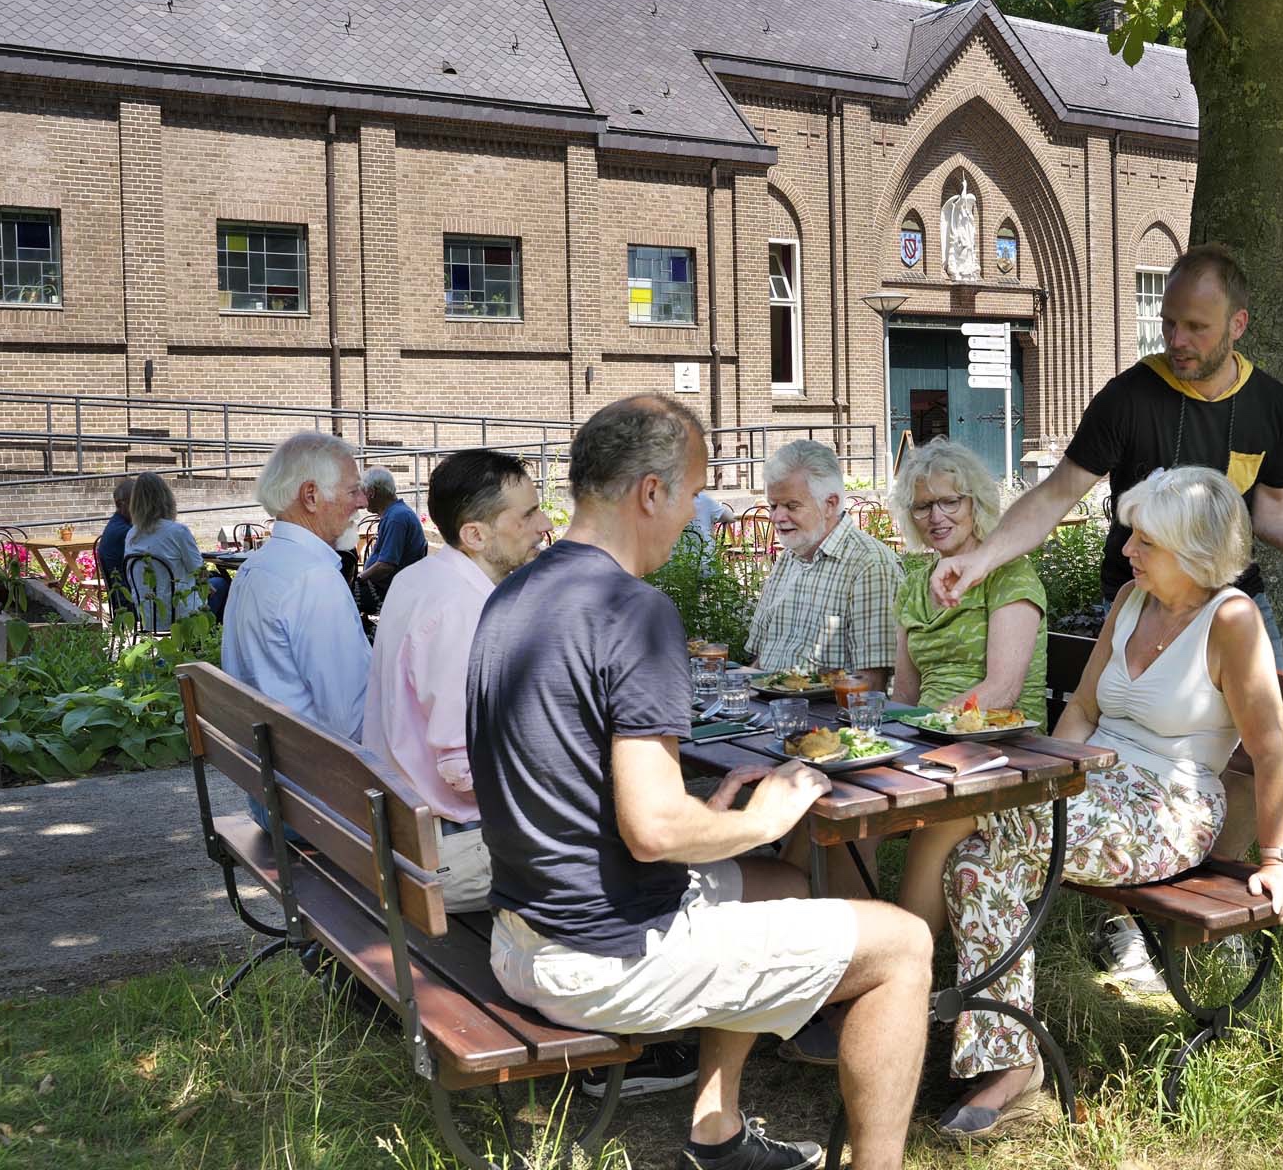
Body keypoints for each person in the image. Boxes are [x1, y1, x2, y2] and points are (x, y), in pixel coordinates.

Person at [468, 396, 930, 1170]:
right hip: (605, 955)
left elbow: (576, 786)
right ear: (651, 492)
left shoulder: (512, 594)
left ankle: (715, 1133)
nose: (693, 517)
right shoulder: (634, 611)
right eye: (691, 495)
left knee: (782, 884)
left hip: (522, 930)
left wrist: (705, 816)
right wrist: (760, 814)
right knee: (905, 944)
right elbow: (652, 829)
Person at [931, 467, 1283, 1139]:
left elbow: (1273, 748)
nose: (1126, 551)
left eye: (1143, 540)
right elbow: (1080, 707)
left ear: (1193, 550)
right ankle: (1009, 1063)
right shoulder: (1131, 603)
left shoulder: (1231, 620)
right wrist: (1043, 776)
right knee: (976, 863)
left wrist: (1279, 860)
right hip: (1091, 790)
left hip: (1168, 810)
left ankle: (900, 992)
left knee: (977, 811)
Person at [931, 242, 1283, 674]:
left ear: (1238, 325)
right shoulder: (1126, 398)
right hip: (1138, 598)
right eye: (1168, 323)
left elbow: (1274, 513)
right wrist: (980, 560)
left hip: (1235, 598)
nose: (1177, 340)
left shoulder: (1273, 403)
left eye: (1196, 327)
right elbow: (1053, 497)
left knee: (1271, 729)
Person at [363, 450, 552, 914]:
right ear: (475, 534)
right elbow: (465, 771)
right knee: (643, 839)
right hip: (449, 855)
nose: (545, 523)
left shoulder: (421, 578)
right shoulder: (462, 611)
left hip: (406, 830)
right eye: (528, 515)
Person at [886, 438, 1048, 933]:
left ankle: (904, 973)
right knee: (836, 812)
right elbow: (905, 695)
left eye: (949, 501)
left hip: (1000, 751)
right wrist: (885, 743)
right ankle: (842, 966)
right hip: (932, 744)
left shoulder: (1009, 575)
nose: (935, 516)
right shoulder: (916, 584)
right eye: (922, 506)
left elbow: (1000, 692)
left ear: (975, 502)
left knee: (933, 829)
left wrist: (921, 734)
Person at [221, 431, 371, 743]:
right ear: (311, 495)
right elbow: (352, 722)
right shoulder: (314, 579)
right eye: (353, 490)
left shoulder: (254, 566)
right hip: (318, 780)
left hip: (272, 773)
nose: (363, 502)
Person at [747, 439, 902, 684]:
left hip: (826, 716)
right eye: (773, 505)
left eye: (791, 506)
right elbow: (760, 660)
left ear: (830, 504)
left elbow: (871, 682)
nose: (776, 517)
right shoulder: (790, 556)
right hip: (769, 708)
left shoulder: (870, 564)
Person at [121, 472, 213, 626]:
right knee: (223, 586)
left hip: (148, 615)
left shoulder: (131, 534)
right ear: (167, 499)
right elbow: (200, 572)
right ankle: (208, 644)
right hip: (181, 613)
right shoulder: (178, 532)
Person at [353, 467, 428, 613]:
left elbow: (385, 566)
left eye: (362, 493)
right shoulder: (396, 513)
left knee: (341, 598)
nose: (360, 501)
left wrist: (359, 578)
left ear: (371, 493)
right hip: (389, 588)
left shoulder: (396, 518)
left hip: (387, 593)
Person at [96, 475, 135, 611]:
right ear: (120, 504)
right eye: (137, 501)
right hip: (131, 602)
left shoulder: (116, 524)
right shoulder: (126, 532)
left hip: (123, 599)